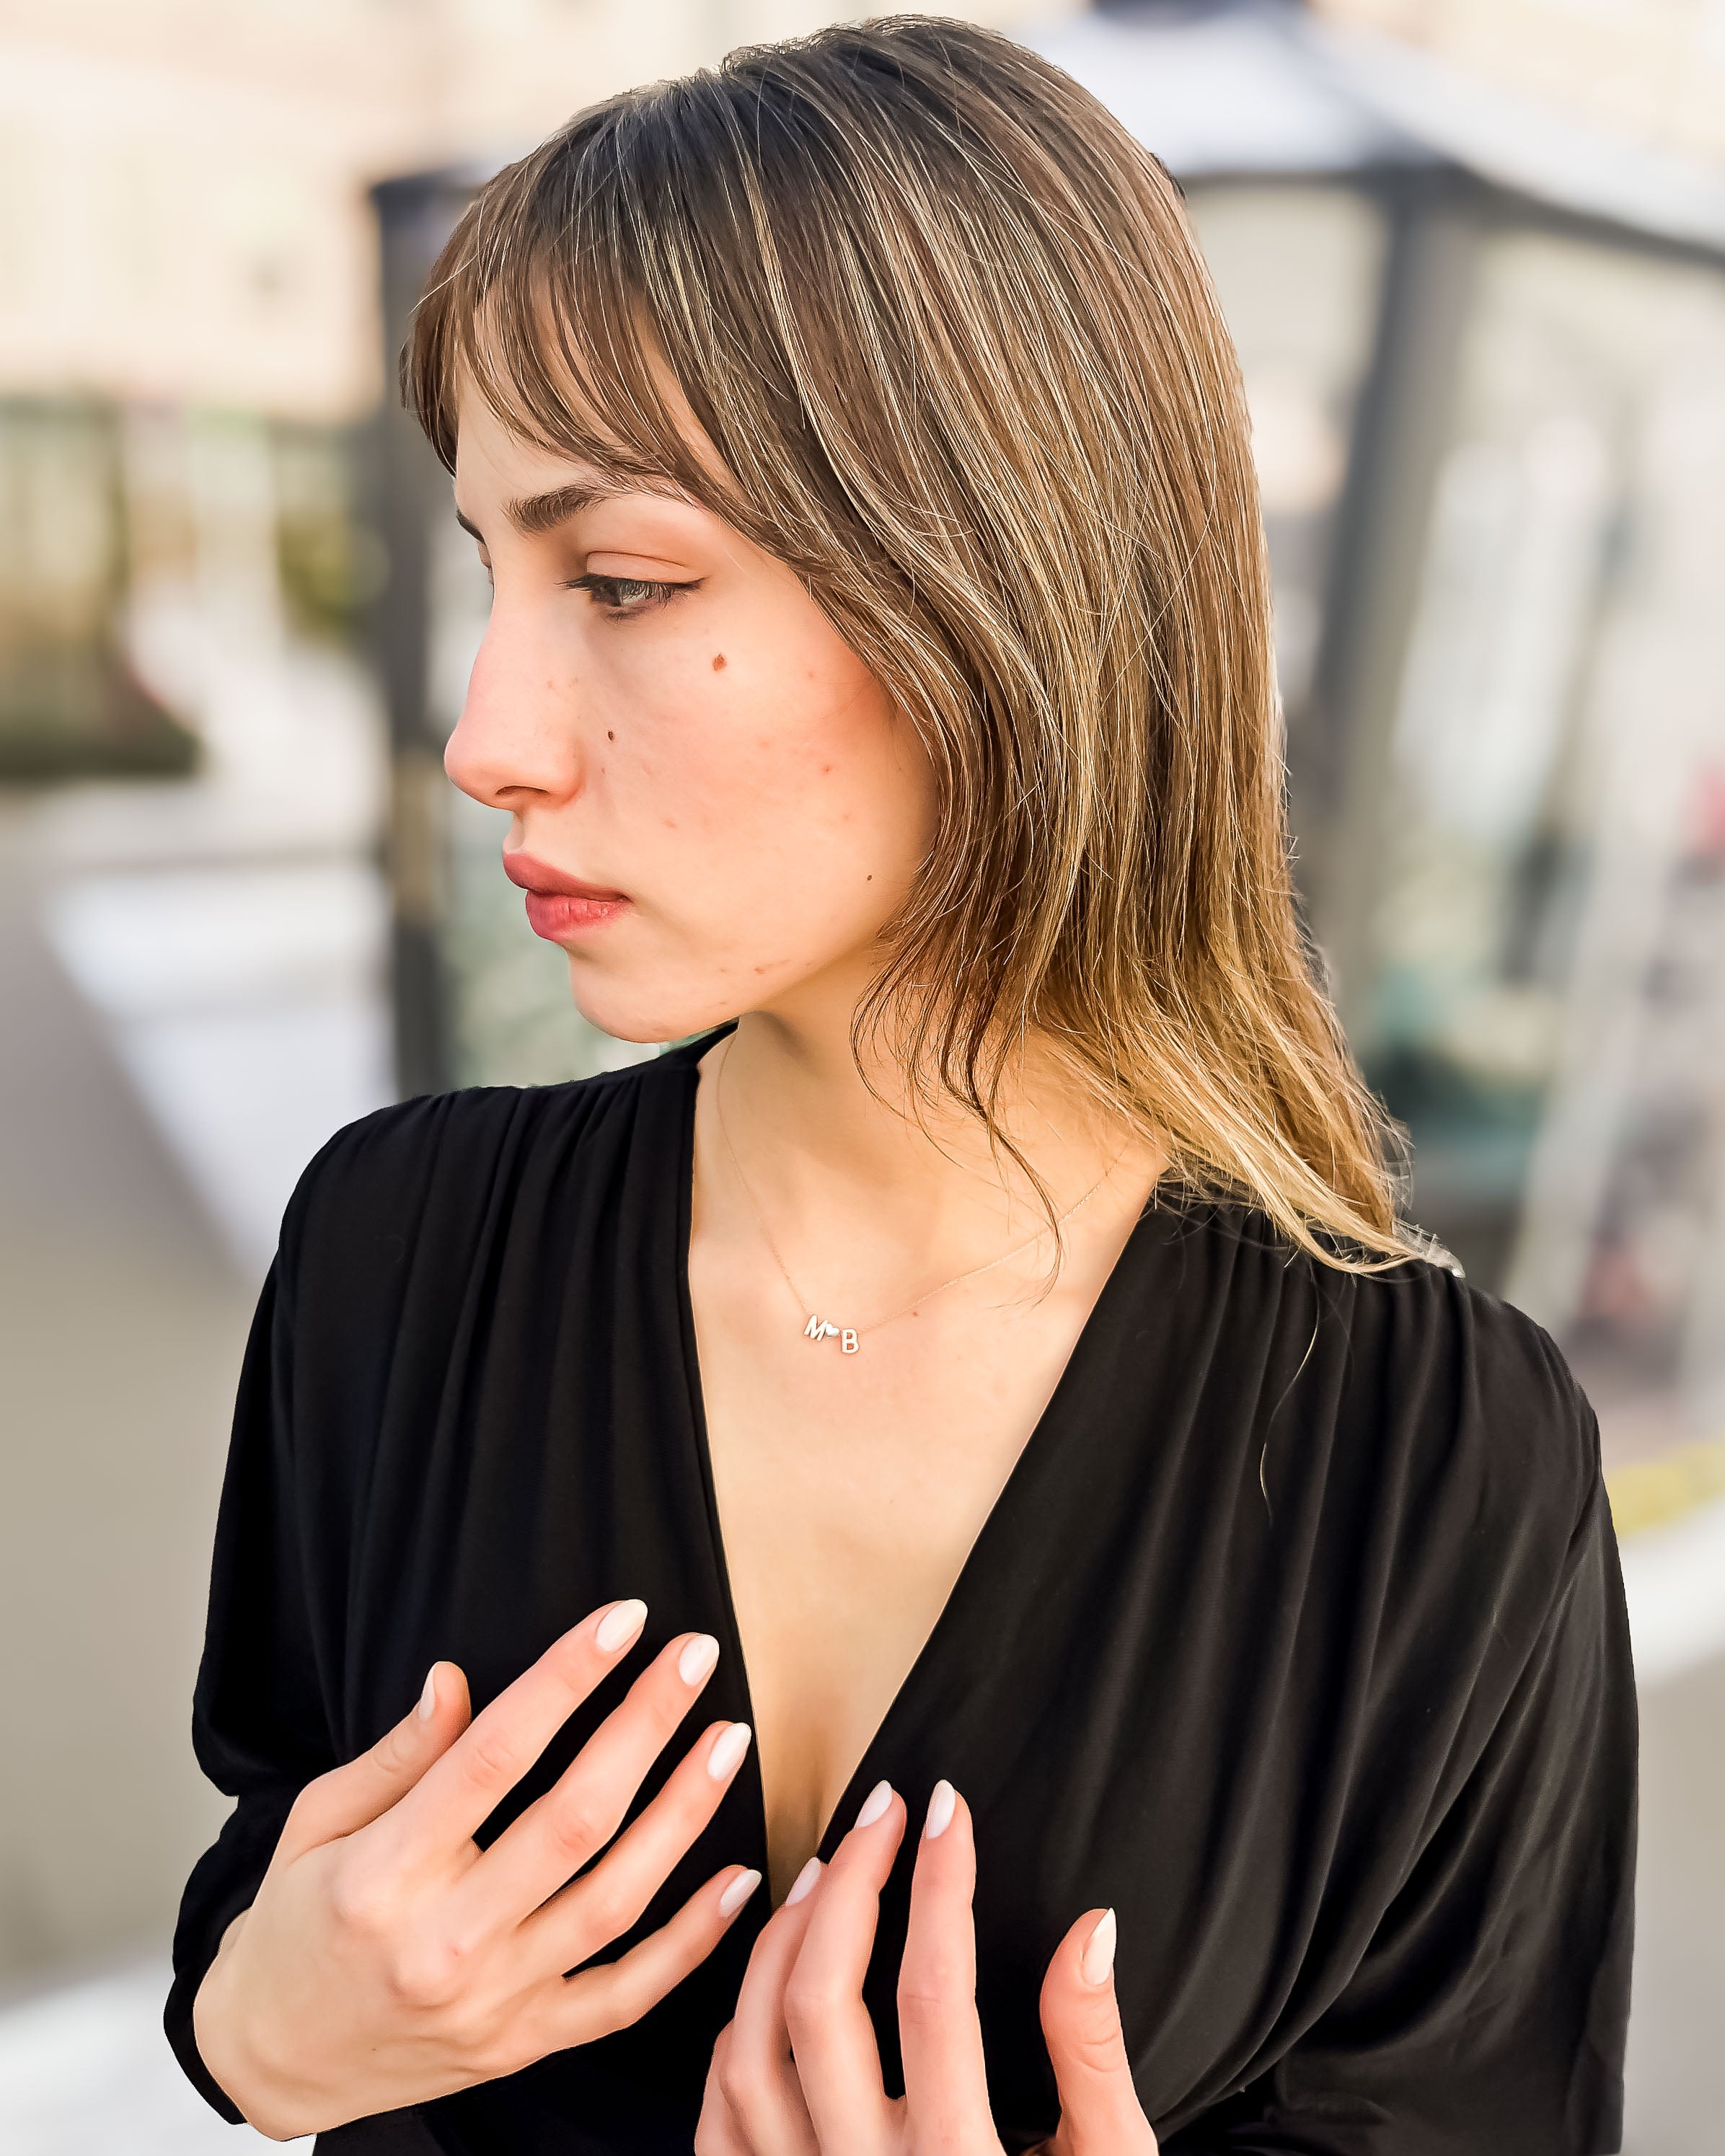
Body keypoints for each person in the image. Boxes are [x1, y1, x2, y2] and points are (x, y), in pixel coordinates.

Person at [165, 18, 1635, 2155]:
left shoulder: (1429, 1462)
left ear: (999, 583)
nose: (486, 734)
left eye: (628, 580)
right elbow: (270, 1857)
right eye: (493, 568)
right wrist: (260, 2037)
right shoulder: (398, 1253)